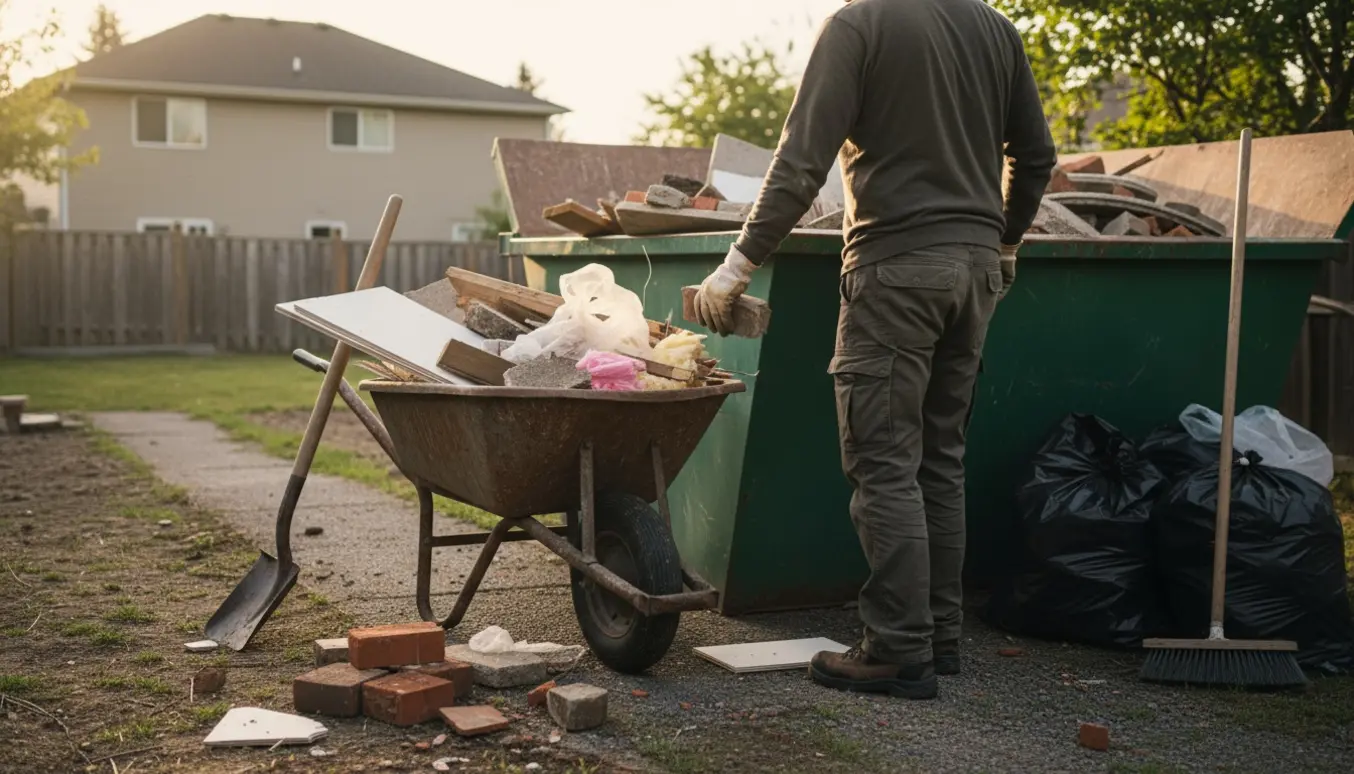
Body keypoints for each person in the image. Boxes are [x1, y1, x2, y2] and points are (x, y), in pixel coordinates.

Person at [692, 0, 1056, 700]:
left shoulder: (858, 25)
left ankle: (896, 649)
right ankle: (938, 638)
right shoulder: (995, 29)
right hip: (976, 272)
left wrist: (738, 263)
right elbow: (1035, 156)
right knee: (939, 461)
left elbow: (801, 161)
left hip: (895, 270)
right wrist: (1006, 242)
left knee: (884, 462)